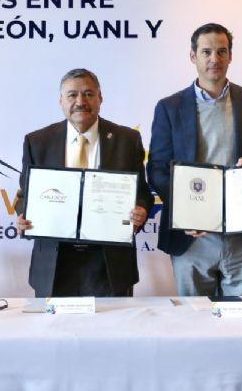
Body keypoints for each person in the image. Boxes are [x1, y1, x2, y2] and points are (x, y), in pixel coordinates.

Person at [148, 23, 242, 297]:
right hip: (191, 236)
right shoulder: (169, 107)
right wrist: (185, 213)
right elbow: (157, 170)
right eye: (206, 51)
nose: (214, 59)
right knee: (193, 321)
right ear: (192, 56)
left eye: (221, 51)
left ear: (231, 56)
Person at [16, 68, 152, 297]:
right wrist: (24, 214)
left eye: (88, 94)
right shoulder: (37, 142)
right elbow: (25, 196)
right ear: (61, 100)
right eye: (72, 95)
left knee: (112, 331)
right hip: (55, 260)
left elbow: (142, 192)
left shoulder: (127, 140)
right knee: (53, 331)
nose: (80, 101)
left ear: (101, 98)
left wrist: (141, 209)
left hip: (109, 262)